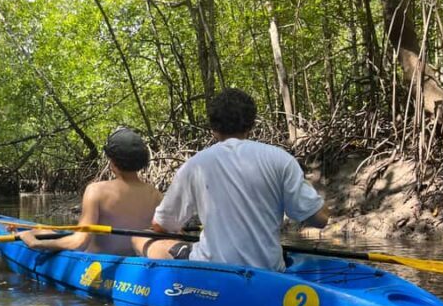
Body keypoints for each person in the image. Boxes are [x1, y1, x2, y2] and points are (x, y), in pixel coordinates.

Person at [132, 88, 329, 271]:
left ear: (213, 127)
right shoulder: (281, 160)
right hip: (269, 271)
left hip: (212, 270)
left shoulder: (194, 165)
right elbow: (320, 219)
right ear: (251, 124)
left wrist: (176, 230)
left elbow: (160, 225)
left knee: (138, 238)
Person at [20, 127, 162, 256]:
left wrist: (35, 243)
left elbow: (79, 243)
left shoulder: (96, 190)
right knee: (46, 231)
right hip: (136, 264)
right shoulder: (156, 195)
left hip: (97, 264)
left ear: (112, 161)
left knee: (50, 234)